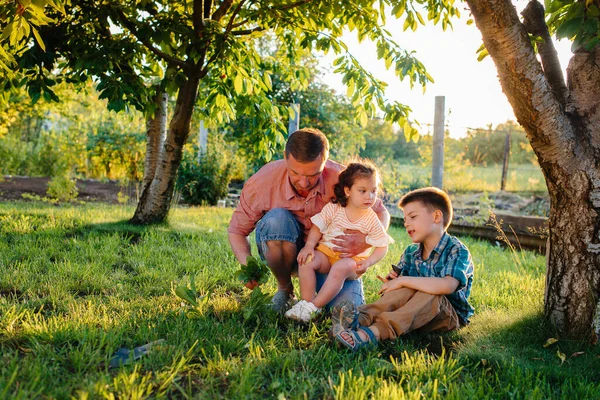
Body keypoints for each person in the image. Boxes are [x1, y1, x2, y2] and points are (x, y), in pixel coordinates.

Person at [227, 128, 390, 312]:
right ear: (285, 157)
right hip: (283, 252)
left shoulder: (342, 179)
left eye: (313, 174)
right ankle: (285, 289)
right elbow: (237, 230)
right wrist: (246, 264)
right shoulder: (263, 182)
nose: (304, 183)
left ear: (325, 161)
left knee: (346, 310)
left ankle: (313, 302)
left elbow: (381, 212)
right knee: (276, 220)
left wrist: (365, 241)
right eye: (295, 173)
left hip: (328, 258)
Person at [332, 187, 474, 351]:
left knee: (431, 293)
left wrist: (403, 280)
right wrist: (393, 283)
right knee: (404, 290)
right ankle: (358, 319)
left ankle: (371, 334)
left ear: (436, 216)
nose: (406, 223)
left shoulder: (457, 250)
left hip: (447, 316)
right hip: (413, 313)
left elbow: (447, 286)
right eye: (405, 218)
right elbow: (402, 293)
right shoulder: (411, 252)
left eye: (413, 217)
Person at [284, 160, 394, 322]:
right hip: (326, 255)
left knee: (342, 267)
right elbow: (317, 227)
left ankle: (315, 307)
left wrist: (369, 262)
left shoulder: (371, 219)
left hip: (351, 263)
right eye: (362, 191)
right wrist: (309, 246)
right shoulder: (334, 208)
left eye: (373, 191)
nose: (369, 197)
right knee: (307, 261)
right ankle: (305, 304)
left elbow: (381, 247)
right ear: (348, 191)